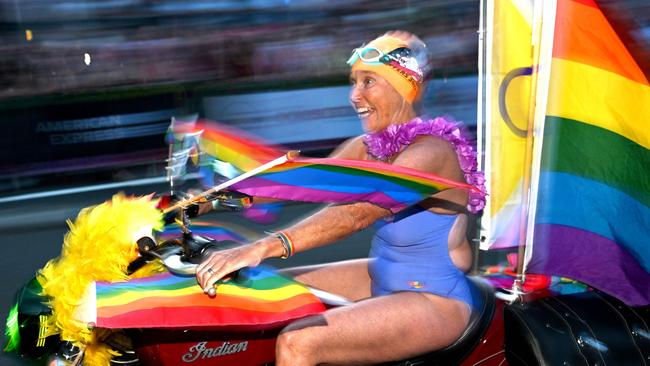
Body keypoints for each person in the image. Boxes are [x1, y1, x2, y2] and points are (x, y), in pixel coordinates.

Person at [196, 30, 486, 365]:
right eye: (353, 82)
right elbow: (302, 182)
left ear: (403, 88)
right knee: (265, 292)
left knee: (298, 342)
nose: (354, 95)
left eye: (368, 82)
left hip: (434, 297)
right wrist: (207, 200)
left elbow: (357, 214)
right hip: (381, 275)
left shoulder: (433, 151)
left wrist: (260, 247)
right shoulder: (369, 146)